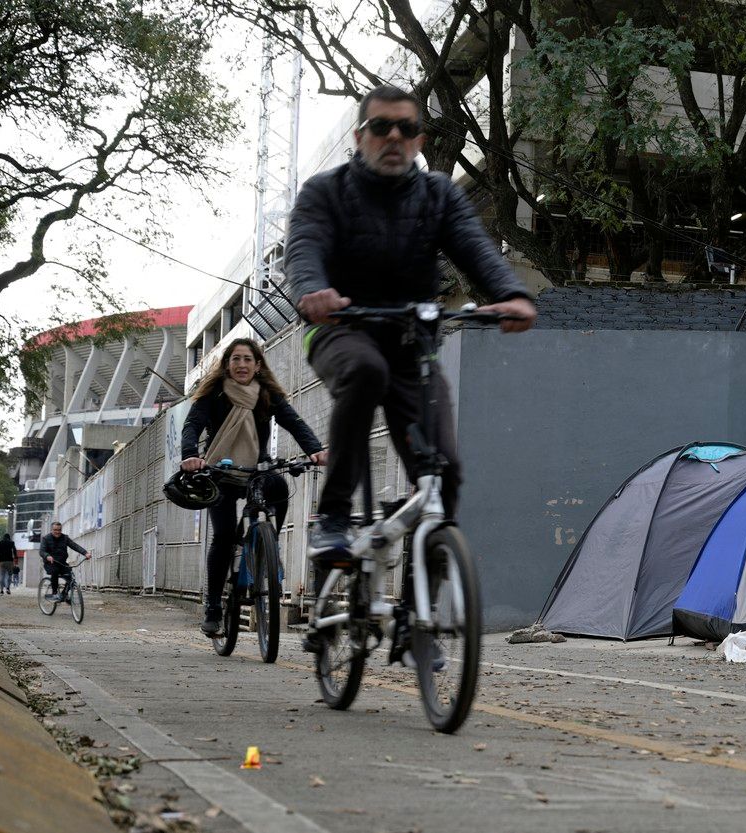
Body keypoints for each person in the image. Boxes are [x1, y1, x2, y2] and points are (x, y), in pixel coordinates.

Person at [285, 84, 537, 564]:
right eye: (381, 127)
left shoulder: (437, 194)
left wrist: (512, 294)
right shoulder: (325, 193)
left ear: (420, 139)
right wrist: (312, 292)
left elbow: (474, 245)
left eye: (408, 128)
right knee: (365, 372)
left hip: (410, 342)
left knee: (444, 469)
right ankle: (334, 516)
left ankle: (429, 601)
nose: (394, 136)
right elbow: (305, 249)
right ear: (360, 137)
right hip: (339, 328)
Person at [181, 338, 327, 636]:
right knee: (222, 536)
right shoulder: (213, 393)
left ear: (258, 365)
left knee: (279, 488)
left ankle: (262, 548)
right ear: (227, 365)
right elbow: (192, 426)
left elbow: (295, 423)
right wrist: (190, 456)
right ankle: (213, 607)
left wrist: (315, 450)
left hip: (256, 471)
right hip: (219, 470)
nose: (242, 365)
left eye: (248, 359)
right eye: (236, 359)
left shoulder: (267, 395)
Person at [40, 522, 89, 601]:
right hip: (50, 563)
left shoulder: (65, 538)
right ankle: (54, 593)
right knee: (55, 571)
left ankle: (64, 595)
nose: (57, 532)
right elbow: (42, 551)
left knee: (70, 577)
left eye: (59, 530)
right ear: (51, 530)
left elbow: (74, 546)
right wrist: (47, 556)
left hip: (62, 563)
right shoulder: (46, 538)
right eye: (55, 530)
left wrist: (85, 553)